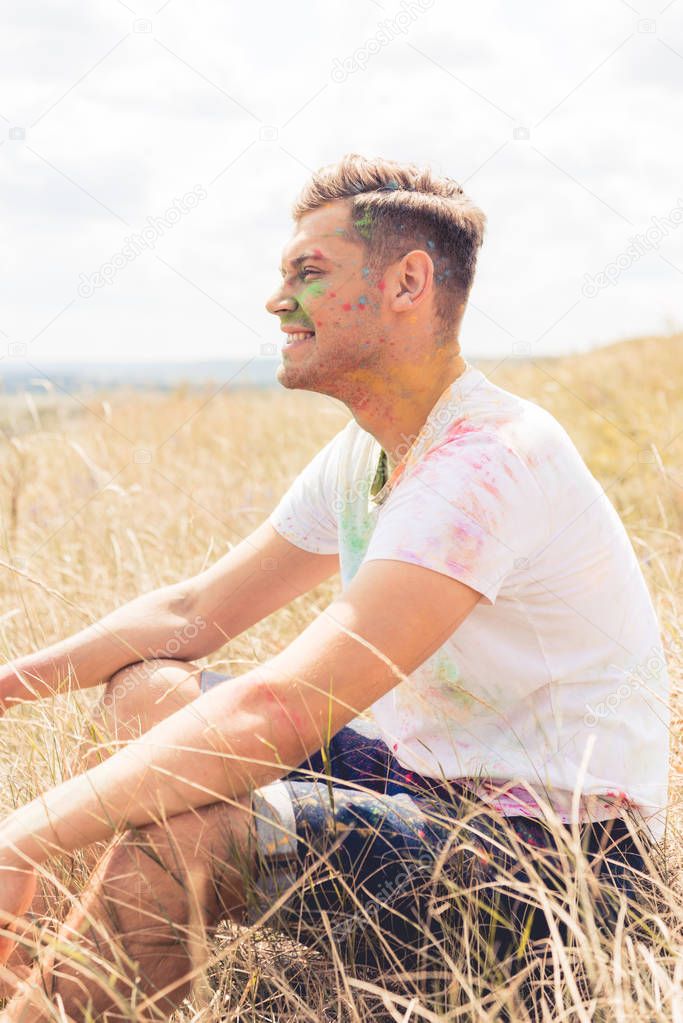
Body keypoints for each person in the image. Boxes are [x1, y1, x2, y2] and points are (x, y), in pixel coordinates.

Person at [0, 153, 670, 1020]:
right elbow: (193, 612)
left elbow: (279, 709)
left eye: (307, 274)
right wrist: (11, 685)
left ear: (406, 283)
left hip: (556, 870)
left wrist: (23, 833)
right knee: (148, 690)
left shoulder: (487, 463)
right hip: (422, 786)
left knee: (181, 842)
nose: (278, 300)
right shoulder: (372, 449)